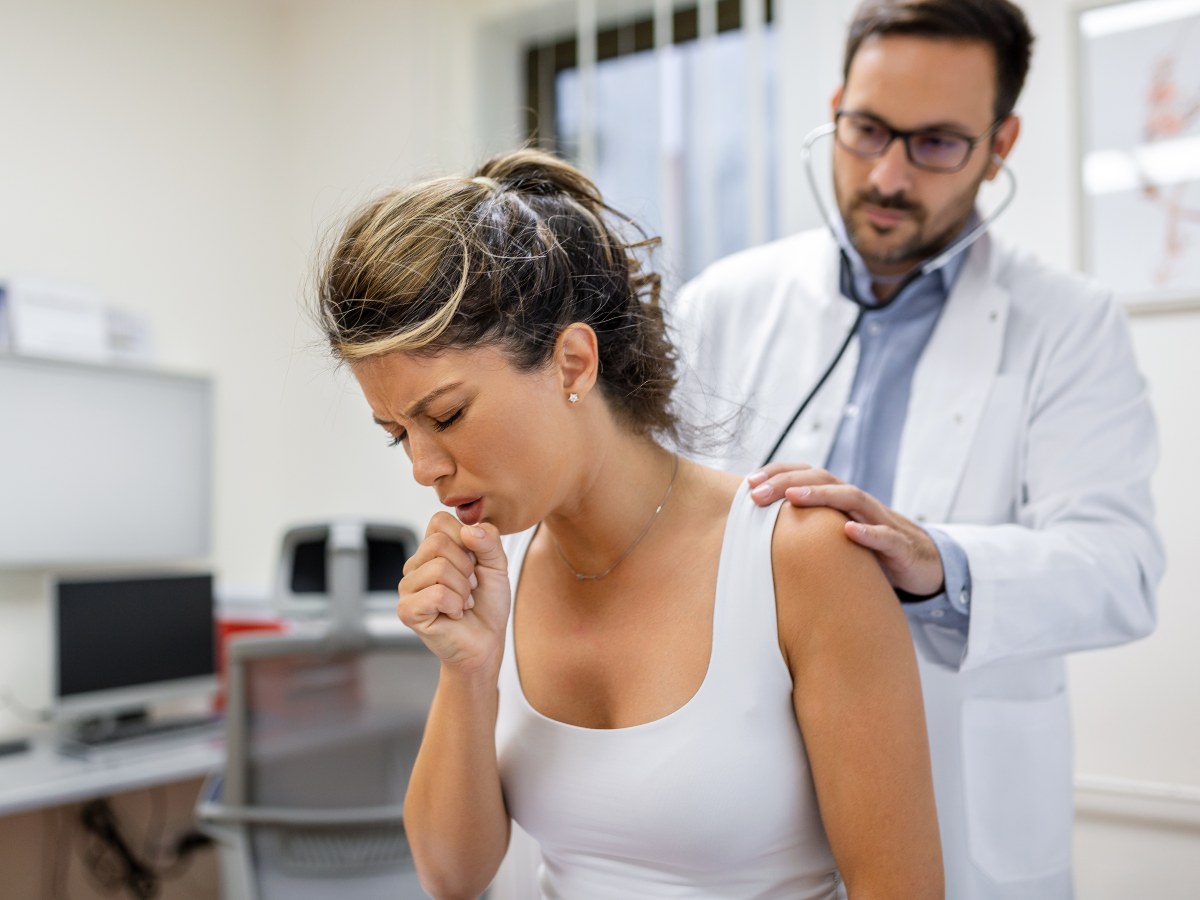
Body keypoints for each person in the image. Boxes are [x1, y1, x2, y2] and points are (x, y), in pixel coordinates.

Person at [315, 148, 943, 899]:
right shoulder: (495, 576)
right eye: (397, 432)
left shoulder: (799, 559)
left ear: (574, 363)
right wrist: (468, 670)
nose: (423, 467)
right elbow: (451, 876)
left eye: (446, 415)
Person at [668, 1, 1165, 898]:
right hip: (743, 795)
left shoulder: (1070, 323)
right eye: (866, 131)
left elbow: (1122, 568)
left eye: (936, 143)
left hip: (961, 799)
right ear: (837, 105)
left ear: (1000, 142)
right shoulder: (724, 303)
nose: (889, 174)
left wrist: (942, 562)